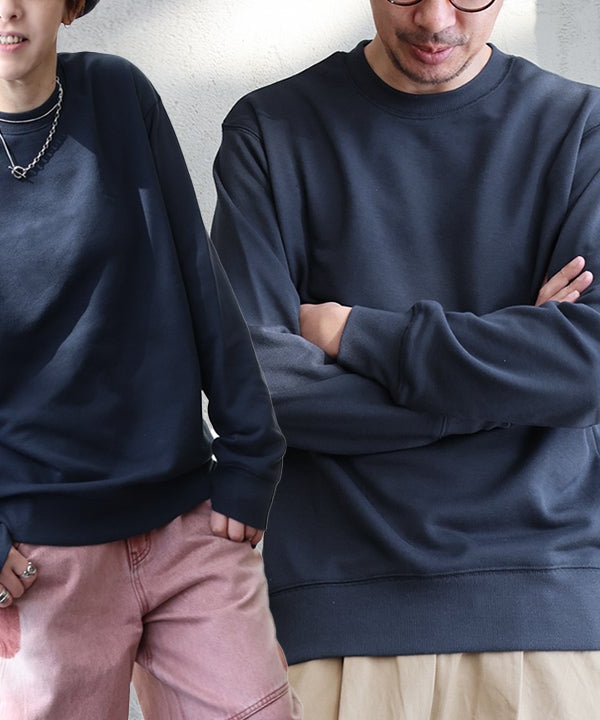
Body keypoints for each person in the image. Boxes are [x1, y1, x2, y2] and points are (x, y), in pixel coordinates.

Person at [0, 1, 303, 718]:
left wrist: (250, 454)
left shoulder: (119, 96)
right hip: (36, 561)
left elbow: (197, 274)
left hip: (185, 529)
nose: (6, 7)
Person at [211, 0, 600, 718]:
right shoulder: (272, 130)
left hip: (546, 615)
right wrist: (507, 389)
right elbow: (255, 389)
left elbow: (588, 366)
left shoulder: (582, 130)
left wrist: (358, 335)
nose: (434, 18)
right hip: (338, 620)